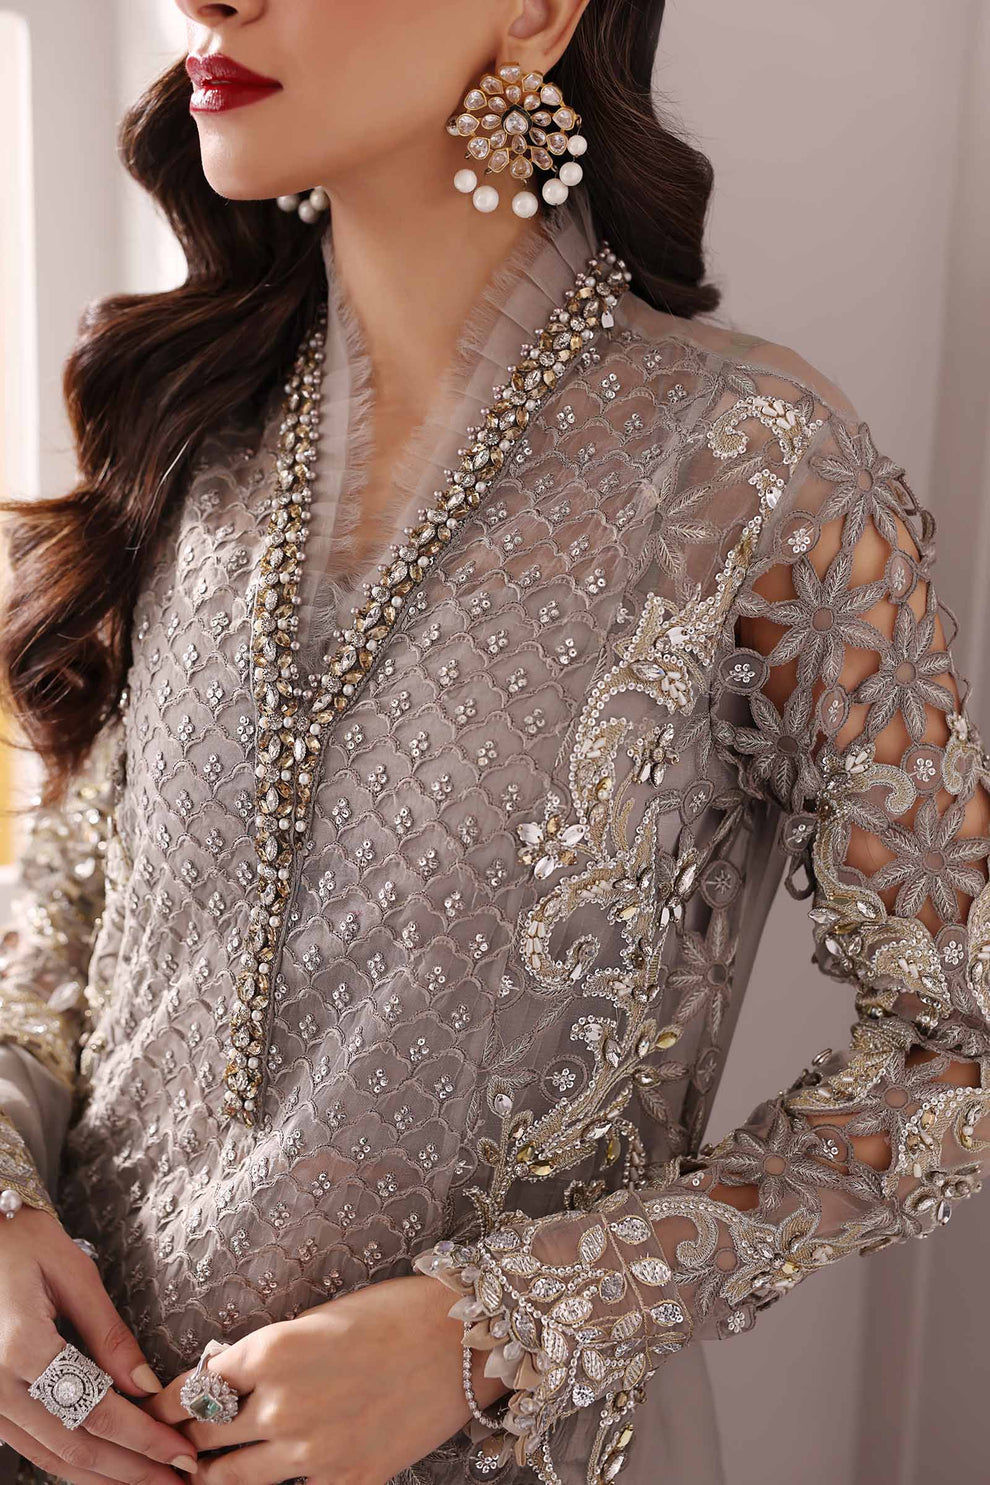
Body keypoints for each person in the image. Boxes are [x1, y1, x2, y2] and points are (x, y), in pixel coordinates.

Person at [1, 0, 988, 1483]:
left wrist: (496, 1328)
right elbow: (67, 921)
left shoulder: (751, 473)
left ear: (534, 11)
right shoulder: (193, 427)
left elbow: (953, 1046)